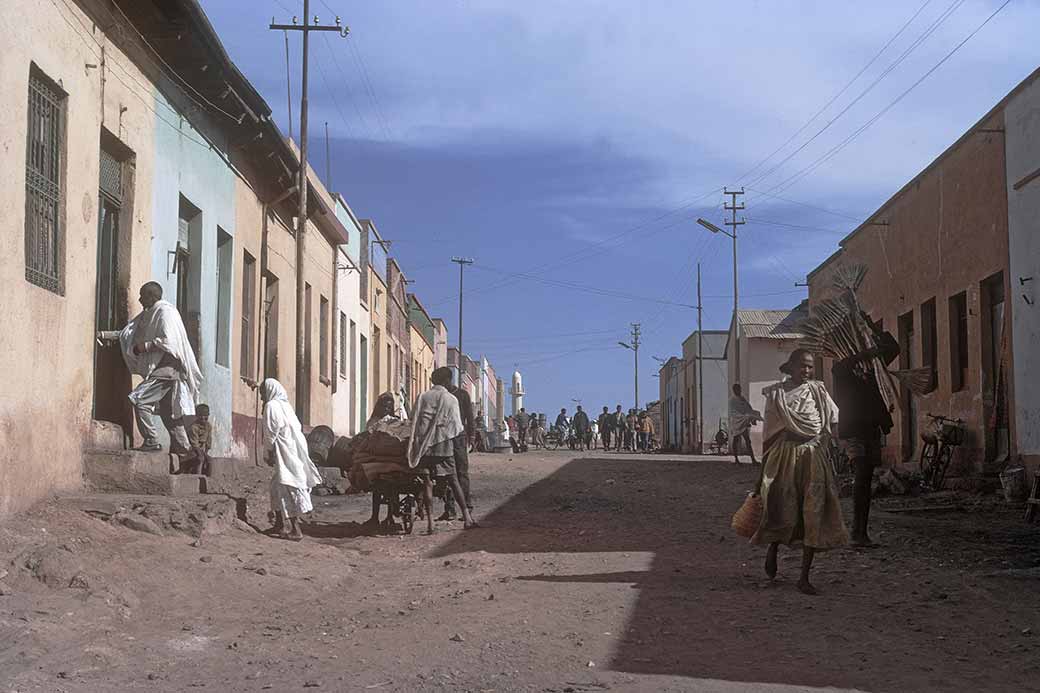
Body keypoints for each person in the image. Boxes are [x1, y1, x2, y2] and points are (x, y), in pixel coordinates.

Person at [751, 349, 847, 595]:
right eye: (802, 366)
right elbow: (770, 433)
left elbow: (833, 418)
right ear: (791, 367)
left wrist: (836, 443)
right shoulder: (776, 394)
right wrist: (763, 470)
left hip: (813, 456)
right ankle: (773, 546)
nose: (806, 370)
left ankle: (804, 576)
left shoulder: (818, 391)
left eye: (810, 367)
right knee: (781, 505)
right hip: (785, 456)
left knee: (813, 511)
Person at [97, 282, 202, 453]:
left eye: (142, 295)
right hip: (168, 372)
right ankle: (186, 453)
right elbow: (129, 333)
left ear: (152, 296)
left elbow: (170, 342)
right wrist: (104, 335)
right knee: (170, 415)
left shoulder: (164, 312)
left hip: (166, 370)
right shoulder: (151, 314)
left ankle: (152, 440)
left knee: (139, 400)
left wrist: (144, 347)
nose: (139, 299)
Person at [831, 313, 899, 548]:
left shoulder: (874, 365)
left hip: (871, 427)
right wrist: (865, 353)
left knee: (867, 477)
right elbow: (845, 366)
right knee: (861, 476)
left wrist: (871, 326)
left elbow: (893, 347)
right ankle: (856, 533)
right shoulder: (841, 367)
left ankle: (861, 532)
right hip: (853, 429)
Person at [409, 368, 477, 530]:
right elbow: (457, 425)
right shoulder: (451, 398)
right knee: (454, 480)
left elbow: (414, 419)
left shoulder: (422, 397)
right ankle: (467, 517)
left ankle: (431, 523)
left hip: (424, 448)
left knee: (427, 483)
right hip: (444, 446)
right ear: (447, 380)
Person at [260, 379, 322, 541]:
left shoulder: (271, 406)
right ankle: (280, 524)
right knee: (276, 486)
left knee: (288, 485)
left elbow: (271, 432)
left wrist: (269, 452)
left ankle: (295, 529)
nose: (261, 398)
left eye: (262, 394)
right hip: (294, 450)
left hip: (285, 451)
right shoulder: (286, 407)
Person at [444, 371, 476, 521]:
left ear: (448, 380)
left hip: (459, 437)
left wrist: (472, 435)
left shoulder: (462, 395)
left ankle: (467, 508)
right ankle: (449, 509)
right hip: (443, 437)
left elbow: (470, 417)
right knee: (446, 474)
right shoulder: (441, 395)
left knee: (461, 472)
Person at [730, 384, 763, 464]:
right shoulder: (732, 400)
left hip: (744, 423)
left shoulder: (742, 399)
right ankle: (736, 459)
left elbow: (748, 408)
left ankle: (753, 460)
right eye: (737, 389)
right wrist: (744, 416)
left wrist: (750, 416)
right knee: (736, 440)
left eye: (739, 389)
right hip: (736, 422)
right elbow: (733, 412)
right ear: (734, 390)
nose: (738, 391)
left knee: (748, 441)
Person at [179, 403, 212, 475]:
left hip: (201, 450)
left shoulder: (208, 426)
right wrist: (202, 455)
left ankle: (208, 479)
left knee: (209, 461)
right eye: (201, 416)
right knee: (200, 459)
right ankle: (198, 477)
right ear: (197, 416)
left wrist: (205, 453)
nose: (203, 418)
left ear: (208, 416)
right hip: (191, 450)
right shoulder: (193, 427)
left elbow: (208, 442)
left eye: (205, 416)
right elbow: (194, 444)